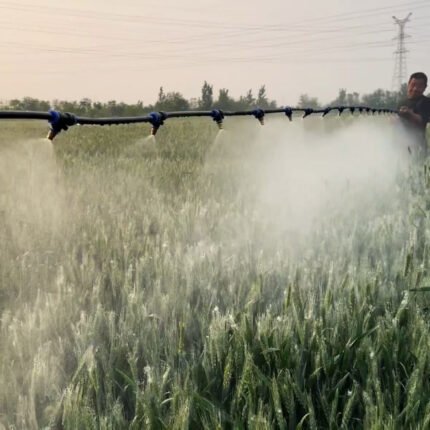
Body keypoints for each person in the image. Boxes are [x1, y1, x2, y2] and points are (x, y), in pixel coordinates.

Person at [398, 72, 430, 155]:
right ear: (408, 84)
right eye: (413, 85)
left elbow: (422, 120)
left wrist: (409, 114)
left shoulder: (426, 102)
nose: (415, 89)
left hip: (419, 147)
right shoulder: (401, 102)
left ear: (425, 88)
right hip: (401, 146)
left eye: (420, 86)